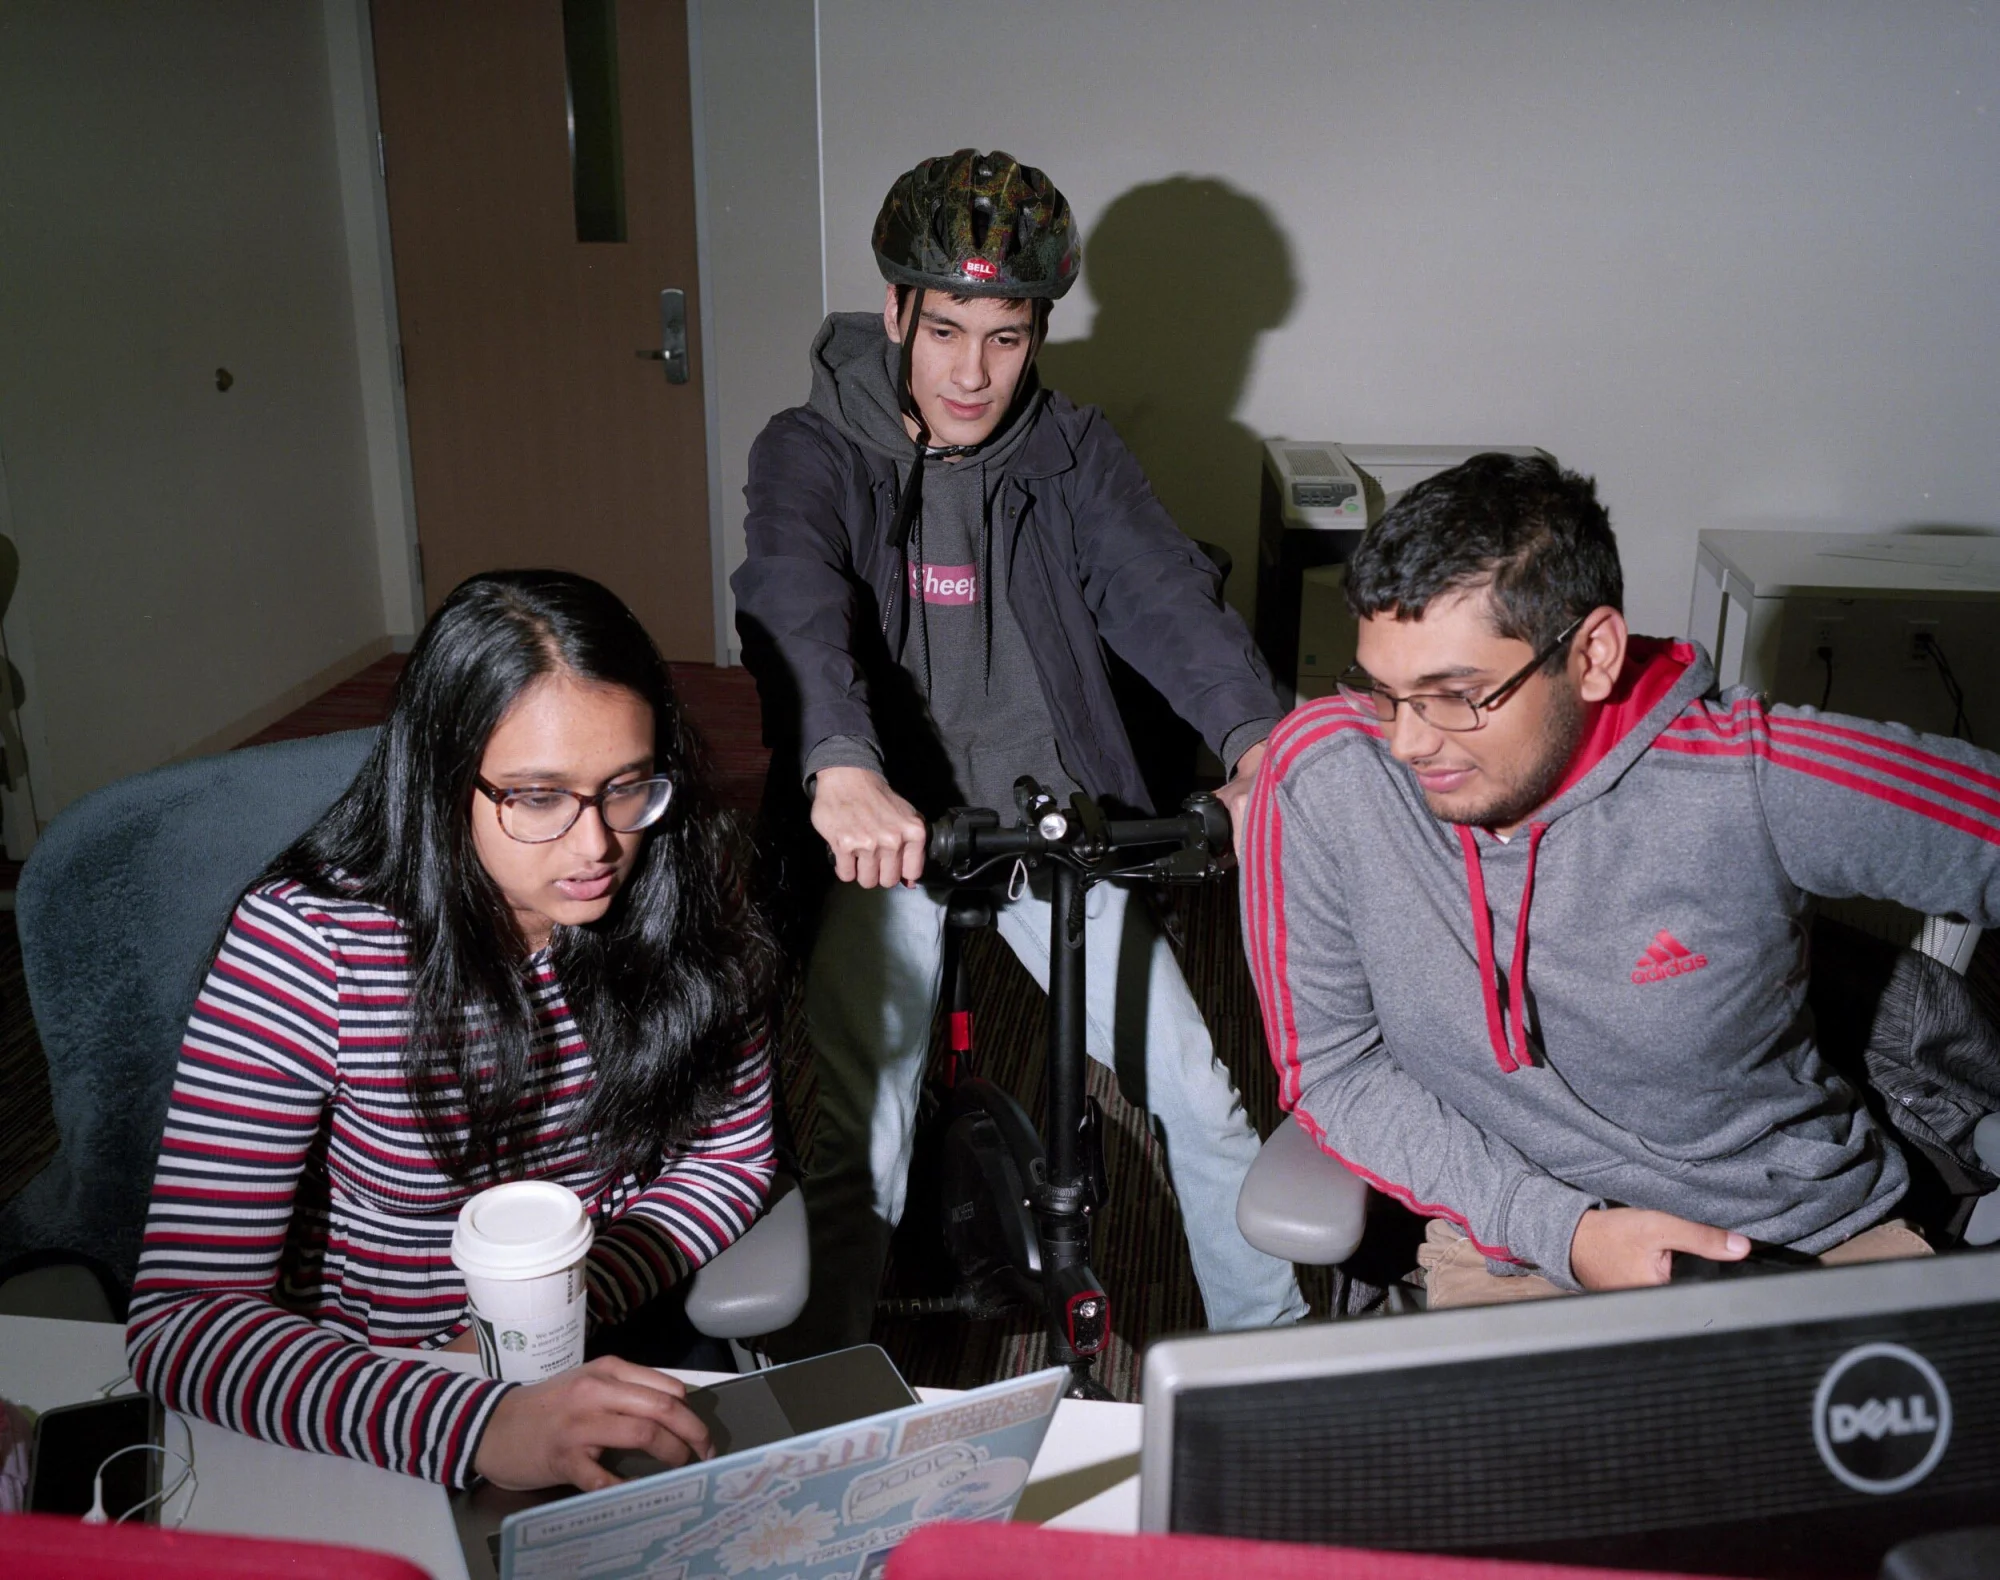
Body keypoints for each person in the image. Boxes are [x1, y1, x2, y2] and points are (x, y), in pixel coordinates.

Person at [733, 149, 1307, 1348]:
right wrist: (840, 763)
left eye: (1005, 336)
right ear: (894, 310)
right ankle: (830, 1402)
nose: (972, 371)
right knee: (865, 1138)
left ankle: (1277, 1368)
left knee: (1199, 1101)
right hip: (885, 835)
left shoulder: (1070, 449)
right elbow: (794, 596)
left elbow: (1161, 593)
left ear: (1038, 329)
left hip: (1050, 830)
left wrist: (1259, 743)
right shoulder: (811, 447)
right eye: (944, 329)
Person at [1241, 452, 2000, 1308]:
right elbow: (1336, 1073)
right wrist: (1565, 1231)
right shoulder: (1324, 780)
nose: (1408, 742)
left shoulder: (1748, 777)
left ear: (1593, 654)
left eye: (1455, 694)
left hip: (1803, 1237)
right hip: (1519, 1249)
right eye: (1383, 692)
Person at [126, 571, 776, 1490]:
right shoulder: (312, 947)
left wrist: (570, 1307)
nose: (597, 847)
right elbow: (184, 1318)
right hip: (377, 1391)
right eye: (539, 797)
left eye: (626, 786)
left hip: (612, 1349)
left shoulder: (687, 888)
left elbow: (730, 1159)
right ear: (440, 781)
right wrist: (477, 1417)